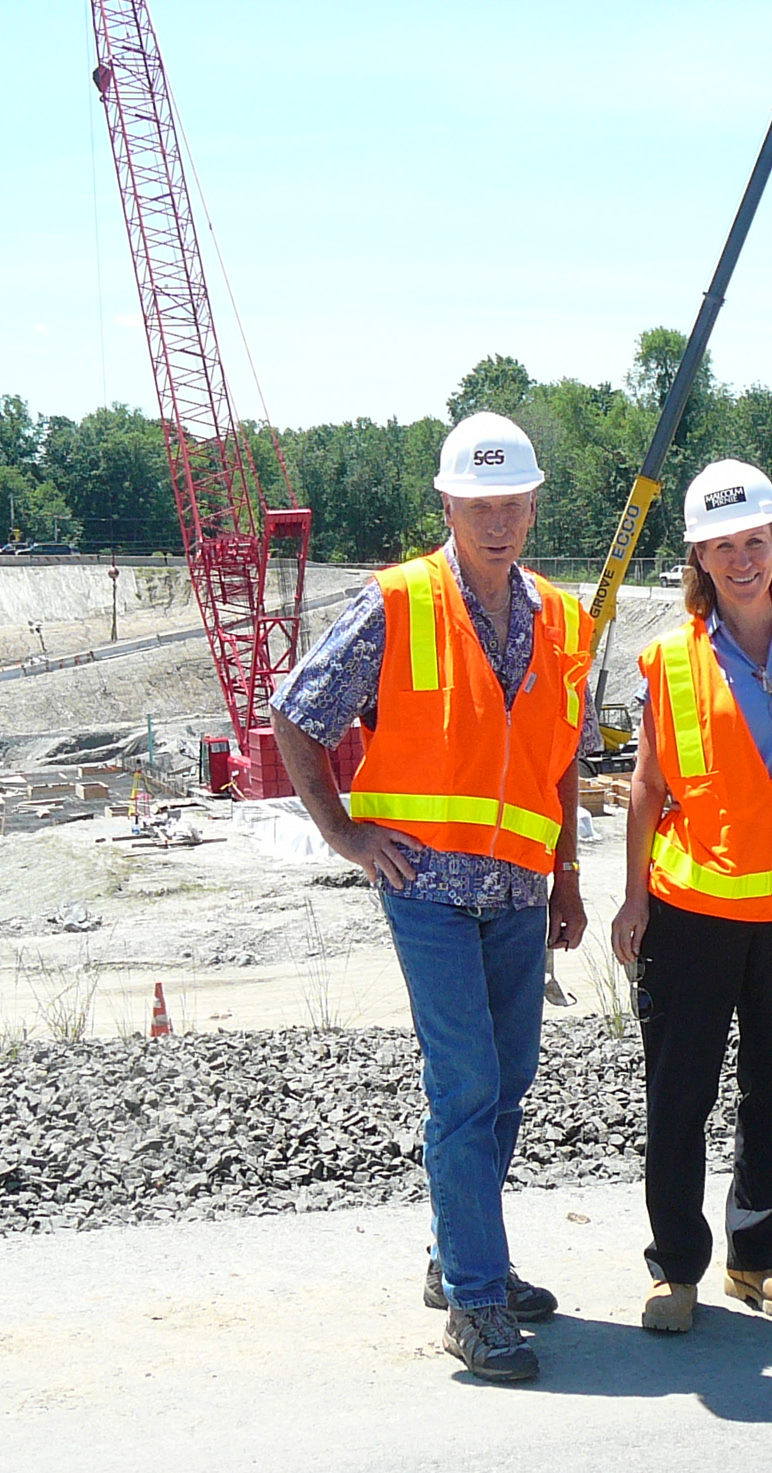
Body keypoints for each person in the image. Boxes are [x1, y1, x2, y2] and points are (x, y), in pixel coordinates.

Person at [269, 411, 597, 1384]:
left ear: (532, 505)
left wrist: (569, 876)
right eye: (477, 504)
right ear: (447, 505)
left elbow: (562, 761)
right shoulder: (396, 603)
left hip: (519, 890)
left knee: (508, 1081)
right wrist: (342, 833)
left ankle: (456, 1255)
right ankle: (475, 1303)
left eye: (511, 503)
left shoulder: (564, 621)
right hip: (423, 885)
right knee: (464, 1084)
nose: (496, 521)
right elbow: (298, 712)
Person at [609, 460, 772, 1334]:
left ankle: (759, 1257)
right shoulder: (672, 659)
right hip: (694, 910)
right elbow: (647, 788)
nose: (743, 558)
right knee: (680, 1093)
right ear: (699, 558)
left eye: (755, 540)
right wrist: (632, 897)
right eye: (723, 546)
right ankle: (674, 1267)